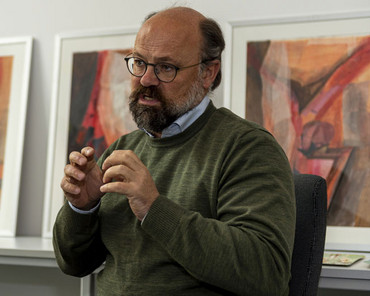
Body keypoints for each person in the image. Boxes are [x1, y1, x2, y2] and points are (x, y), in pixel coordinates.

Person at [52, 6, 296, 296]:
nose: (146, 80)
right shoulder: (122, 148)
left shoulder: (247, 147)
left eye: (166, 68)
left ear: (208, 73)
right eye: (139, 62)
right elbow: (74, 264)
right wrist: (82, 208)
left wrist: (154, 208)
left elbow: (266, 273)